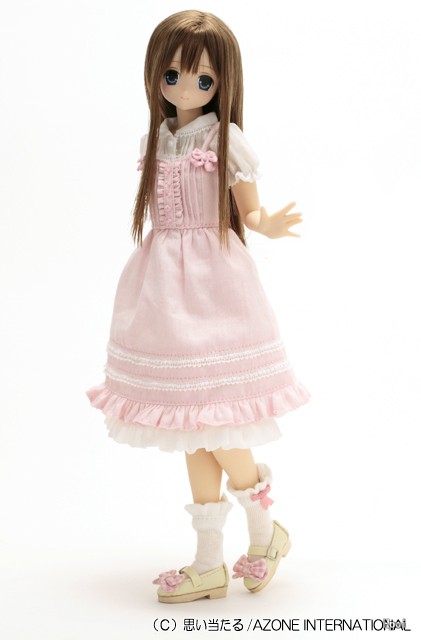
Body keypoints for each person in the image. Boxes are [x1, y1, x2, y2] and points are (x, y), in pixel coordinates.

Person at [87, 10, 310, 603]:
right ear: (155, 76)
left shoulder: (224, 140)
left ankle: (263, 530)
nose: (186, 89)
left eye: (203, 79)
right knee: (190, 426)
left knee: (216, 419)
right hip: (163, 288)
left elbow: (249, 209)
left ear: (221, 83)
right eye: (173, 75)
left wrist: (266, 222)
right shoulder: (156, 140)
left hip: (216, 286)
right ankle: (210, 560)